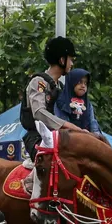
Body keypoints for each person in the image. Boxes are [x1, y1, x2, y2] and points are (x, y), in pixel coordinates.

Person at [20, 36, 87, 164]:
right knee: (51, 165)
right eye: (71, 60)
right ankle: (30, 181)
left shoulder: (61, 88)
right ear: (62, 60)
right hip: (38, 138)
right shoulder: (38, 82)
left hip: (60, 137)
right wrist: (69, 126)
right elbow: (39, 112)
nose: (72, 64)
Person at [54, 68, 103, 135]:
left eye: (85, 83)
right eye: (80, 82)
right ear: (72, 83)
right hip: (68, 138)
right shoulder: (62, 102)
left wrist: (96, 135)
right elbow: (63, 124)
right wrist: (80, 132)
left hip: (88, 137)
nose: (83, 86)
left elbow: (92, 122)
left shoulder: (87, 104)